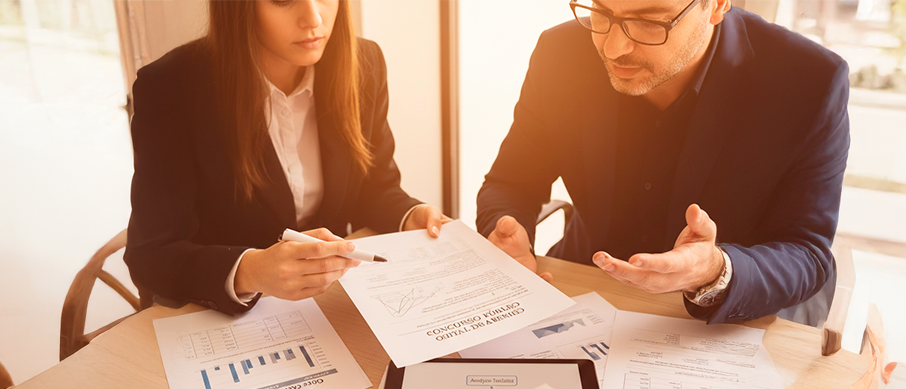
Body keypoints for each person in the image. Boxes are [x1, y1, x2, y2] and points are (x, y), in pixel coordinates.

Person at [477, 0, 849, 324]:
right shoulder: (560, 52)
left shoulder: (809, 80)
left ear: (717, 5)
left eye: (649, 22)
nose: (614, 47)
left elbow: (807, 252)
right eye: (602, 12)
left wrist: (714, 270)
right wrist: (505, 231)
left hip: (728, 318)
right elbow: (511, 182)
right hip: (588, 285)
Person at [125, 0, 447, 315]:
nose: (313, 18)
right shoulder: (172, 86)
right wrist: (250, 270)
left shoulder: (364, 63)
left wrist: (409, 214)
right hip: (222, 319)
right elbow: (150, 255)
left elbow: (374, 188)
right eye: (283, 0)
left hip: (328, 305)